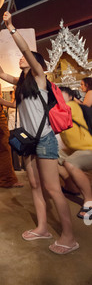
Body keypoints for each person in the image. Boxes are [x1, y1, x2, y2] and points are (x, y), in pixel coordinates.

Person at [0, 11, 79, 255]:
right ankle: (42, 228)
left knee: (52, 189)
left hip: (44, 139)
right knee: (35, 186)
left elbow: (26, 51)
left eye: (23, 58)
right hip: (27, 140)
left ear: (34, 61)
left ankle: (69, 236)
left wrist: (10, 27)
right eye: (20, 57)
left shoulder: (40, 77)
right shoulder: (22, 83)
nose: (20, 59)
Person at [58, 87, 92, 220]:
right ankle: (72, 187)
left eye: (61, 94)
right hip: (76, 149)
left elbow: (53, 115)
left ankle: (89, 202)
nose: (58, 97)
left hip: (88, 148)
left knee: (71, 164)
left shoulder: (71, 105)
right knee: (52, 156)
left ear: (70, 96)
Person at [7, 89, 22, 171]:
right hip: (11, 126)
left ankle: (21, 165)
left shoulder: (19, 102)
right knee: (13, 146)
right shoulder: (11, 102)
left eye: (13, 92)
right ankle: (16, 165)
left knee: (20, 145)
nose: (12, 94)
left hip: (18, 126)